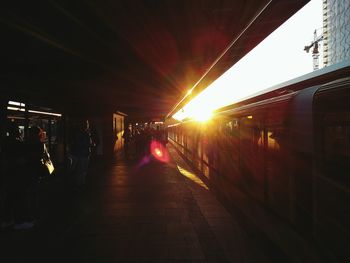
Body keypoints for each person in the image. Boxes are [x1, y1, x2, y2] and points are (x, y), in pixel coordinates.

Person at [68, 120, 92, 189]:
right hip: (83, 154)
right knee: (83, 170)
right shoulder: (85, 134)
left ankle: (79, 184)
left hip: (77, 154)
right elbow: (87, 144)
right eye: (87, 124)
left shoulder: (77, 133)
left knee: (79, 170)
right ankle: (81, 184)